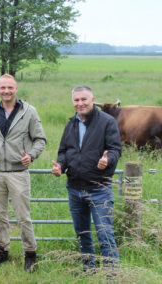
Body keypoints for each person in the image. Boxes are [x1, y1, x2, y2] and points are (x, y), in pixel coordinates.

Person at [0, 74, 46, 272]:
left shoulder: (29, 112)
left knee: (23, 216)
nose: (6, 91)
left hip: (18, 172)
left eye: (10, 88)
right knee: (0, 215)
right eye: (3, 88)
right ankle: (2, 252)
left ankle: (30, 255)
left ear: (16, 89)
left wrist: (31, 156)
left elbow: (40, 139)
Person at [51, 85, 121, 272]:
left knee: (105, 234)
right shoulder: (71, 124)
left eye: (84, 99)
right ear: (73, 102)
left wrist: (108, 160)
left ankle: (112, 274)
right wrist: (60, 166)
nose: (80, 103)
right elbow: (64, 152)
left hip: (99, 188)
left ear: (93, 100)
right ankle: (89, 269)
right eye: (76, 100)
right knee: (82, 234)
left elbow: (115, 149)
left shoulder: (107, 122)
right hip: (74, 188)